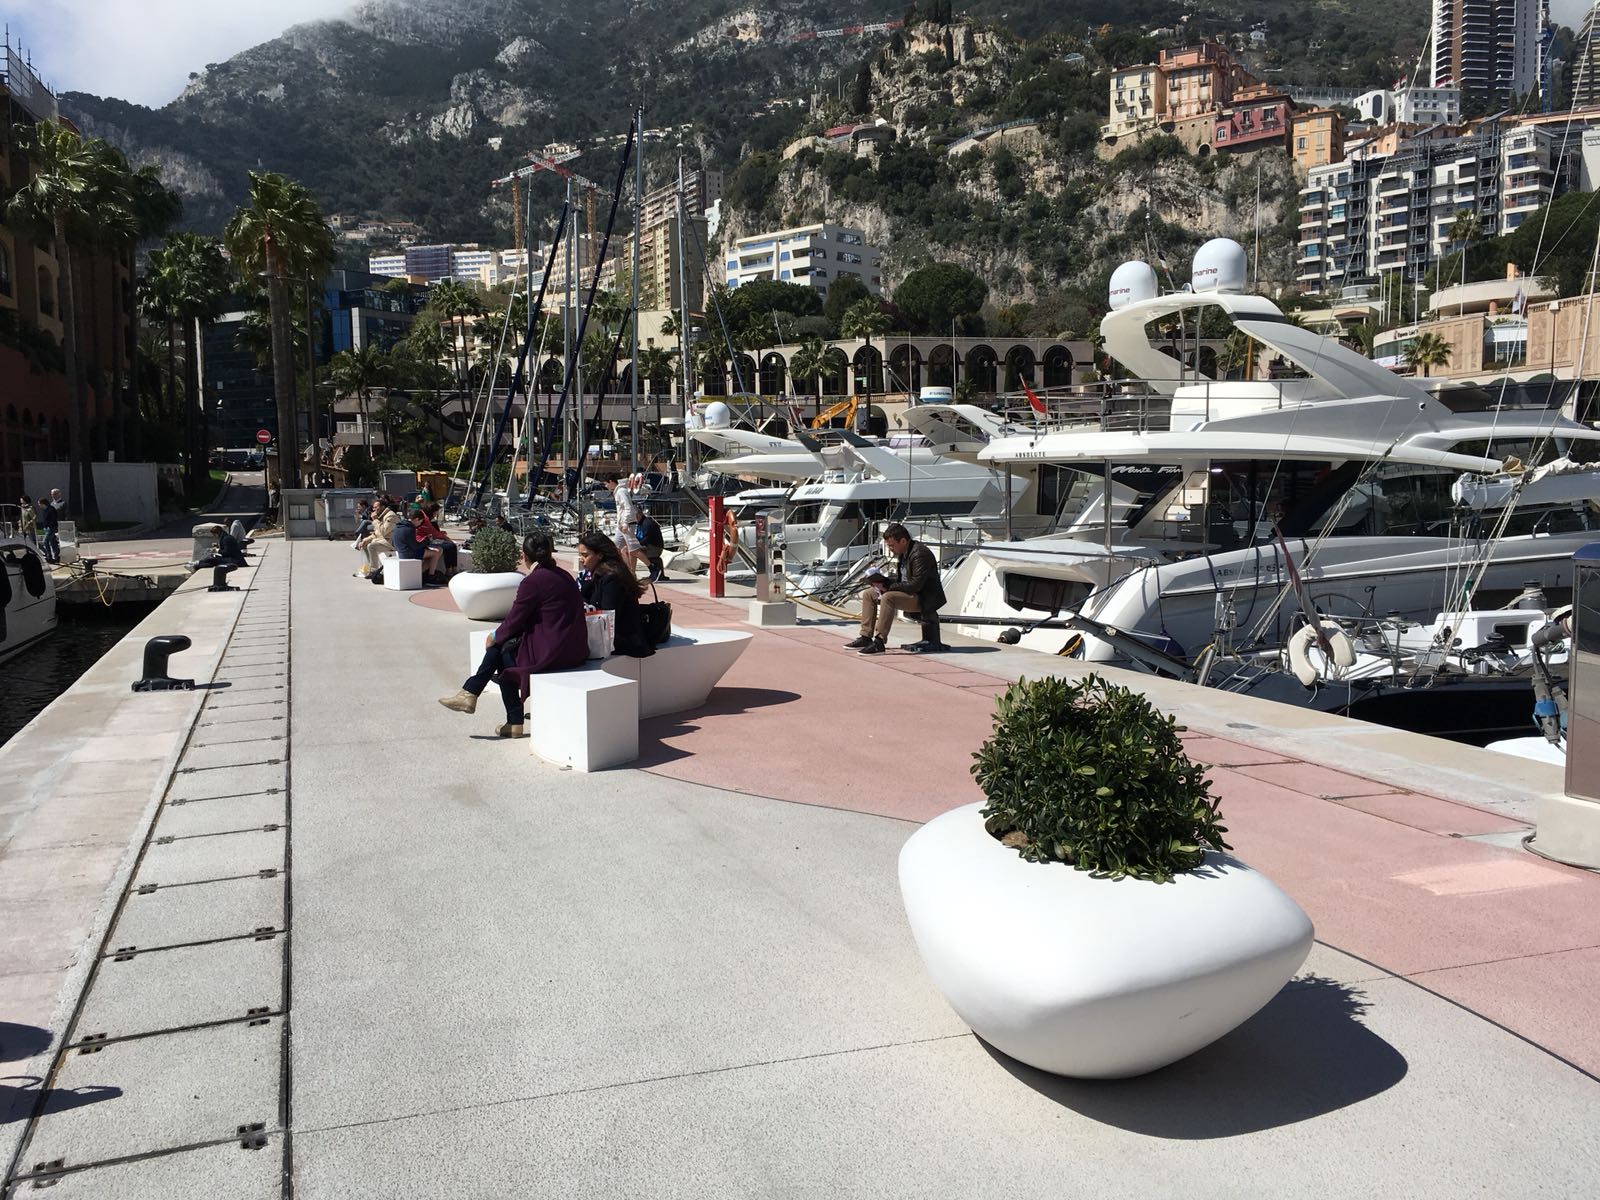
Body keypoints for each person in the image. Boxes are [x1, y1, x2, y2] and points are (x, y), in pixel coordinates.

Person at [438, 532, 588, 736]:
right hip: (574, 648)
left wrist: (494, 637)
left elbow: (515, 618)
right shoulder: (564, 576)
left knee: (500, 651)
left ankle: (502, 713)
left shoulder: (533, 581)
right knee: (503, 648)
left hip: (553, 652)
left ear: (524, 556)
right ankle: (473, 695)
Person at [848, 522, 947, 655]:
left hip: (924, 598)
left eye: (892, 545)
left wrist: (887, 587)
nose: (890, 549)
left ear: (903, 541)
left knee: (888, 597)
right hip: (910, 593)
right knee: (869, 594)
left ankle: (879, 641)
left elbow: (915, 584)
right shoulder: (903, 553)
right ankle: (865, 637)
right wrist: (881, 581)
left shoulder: (919, 554)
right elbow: (903, 581)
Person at [575, 531, 654, 658]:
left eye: (585, 555)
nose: (581, 559)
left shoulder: (612, 578)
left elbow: (608, 616)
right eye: (580, 555)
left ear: (600, 555)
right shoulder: (598, 574)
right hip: (612, 637)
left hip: (623, 641)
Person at [393, 506, 443, 581]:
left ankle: (421, 573)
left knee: (430, 554)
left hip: (400, 552)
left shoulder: (398, 526)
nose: (420, 524)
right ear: (416, 519)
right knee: (436, 553)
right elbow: (415, 546)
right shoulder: (410, 529)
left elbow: (394, 542)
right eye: (420, 521)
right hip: (408, 554)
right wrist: (427, 540)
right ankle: (431, 576)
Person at [605, 474, 642, 573]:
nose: (606, 486)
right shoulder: (618, 491)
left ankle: (649, 567)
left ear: (611, 481)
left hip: (627, 524)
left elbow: (628, 507)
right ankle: (625, 570)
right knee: (616, 548)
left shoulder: (621, 491)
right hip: (621, 525)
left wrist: (625, 523)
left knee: (633, 549)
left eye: (606, 484)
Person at [357, 500, 398, 576]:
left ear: (383, 507)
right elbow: (377, 533)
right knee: (365, 544)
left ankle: (374, 571)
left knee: (371, 546)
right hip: (384, 540)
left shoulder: (390, 516)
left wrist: (375, 520)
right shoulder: (381, 515)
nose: (374, 509)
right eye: (373, 507)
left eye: (376, 507)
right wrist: (365, 540)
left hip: (391, 542)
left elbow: (383, 531)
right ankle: (370, 567)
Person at [632, 505, 668, 582]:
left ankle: (653, 571)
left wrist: (636, 545)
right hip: (650, 546)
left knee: (633, 551)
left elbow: (647, 538)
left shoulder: (647, 523)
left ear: (639, 515)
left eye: (633, 516)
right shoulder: (641, 523)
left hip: (655, 547)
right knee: (631, 550)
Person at [38, 490, 61, 564]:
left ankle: (49, 556)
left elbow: (53, 519)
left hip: (51, 528)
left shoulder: (51, 509)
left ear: (43, 503)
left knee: (45, 541)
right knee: (52, 542)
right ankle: (56, 556)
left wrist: (50, 526)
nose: (39, 505)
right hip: (47, 528)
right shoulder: (45, 510)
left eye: (39, 504)